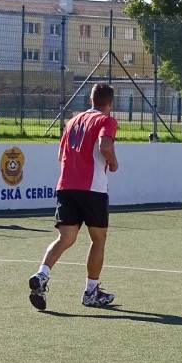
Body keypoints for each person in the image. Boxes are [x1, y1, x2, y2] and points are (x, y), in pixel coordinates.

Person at [27, 83, 120, 311]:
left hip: (66, 186)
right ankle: (91, 291)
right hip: (93, 189)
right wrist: (113, 163)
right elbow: (105, 145)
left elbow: (61, 155)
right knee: (98, 239)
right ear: (111, 103)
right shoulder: (106, 120)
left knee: (65, 238)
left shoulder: (72, 121)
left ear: (90, 100)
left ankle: (41, 274)